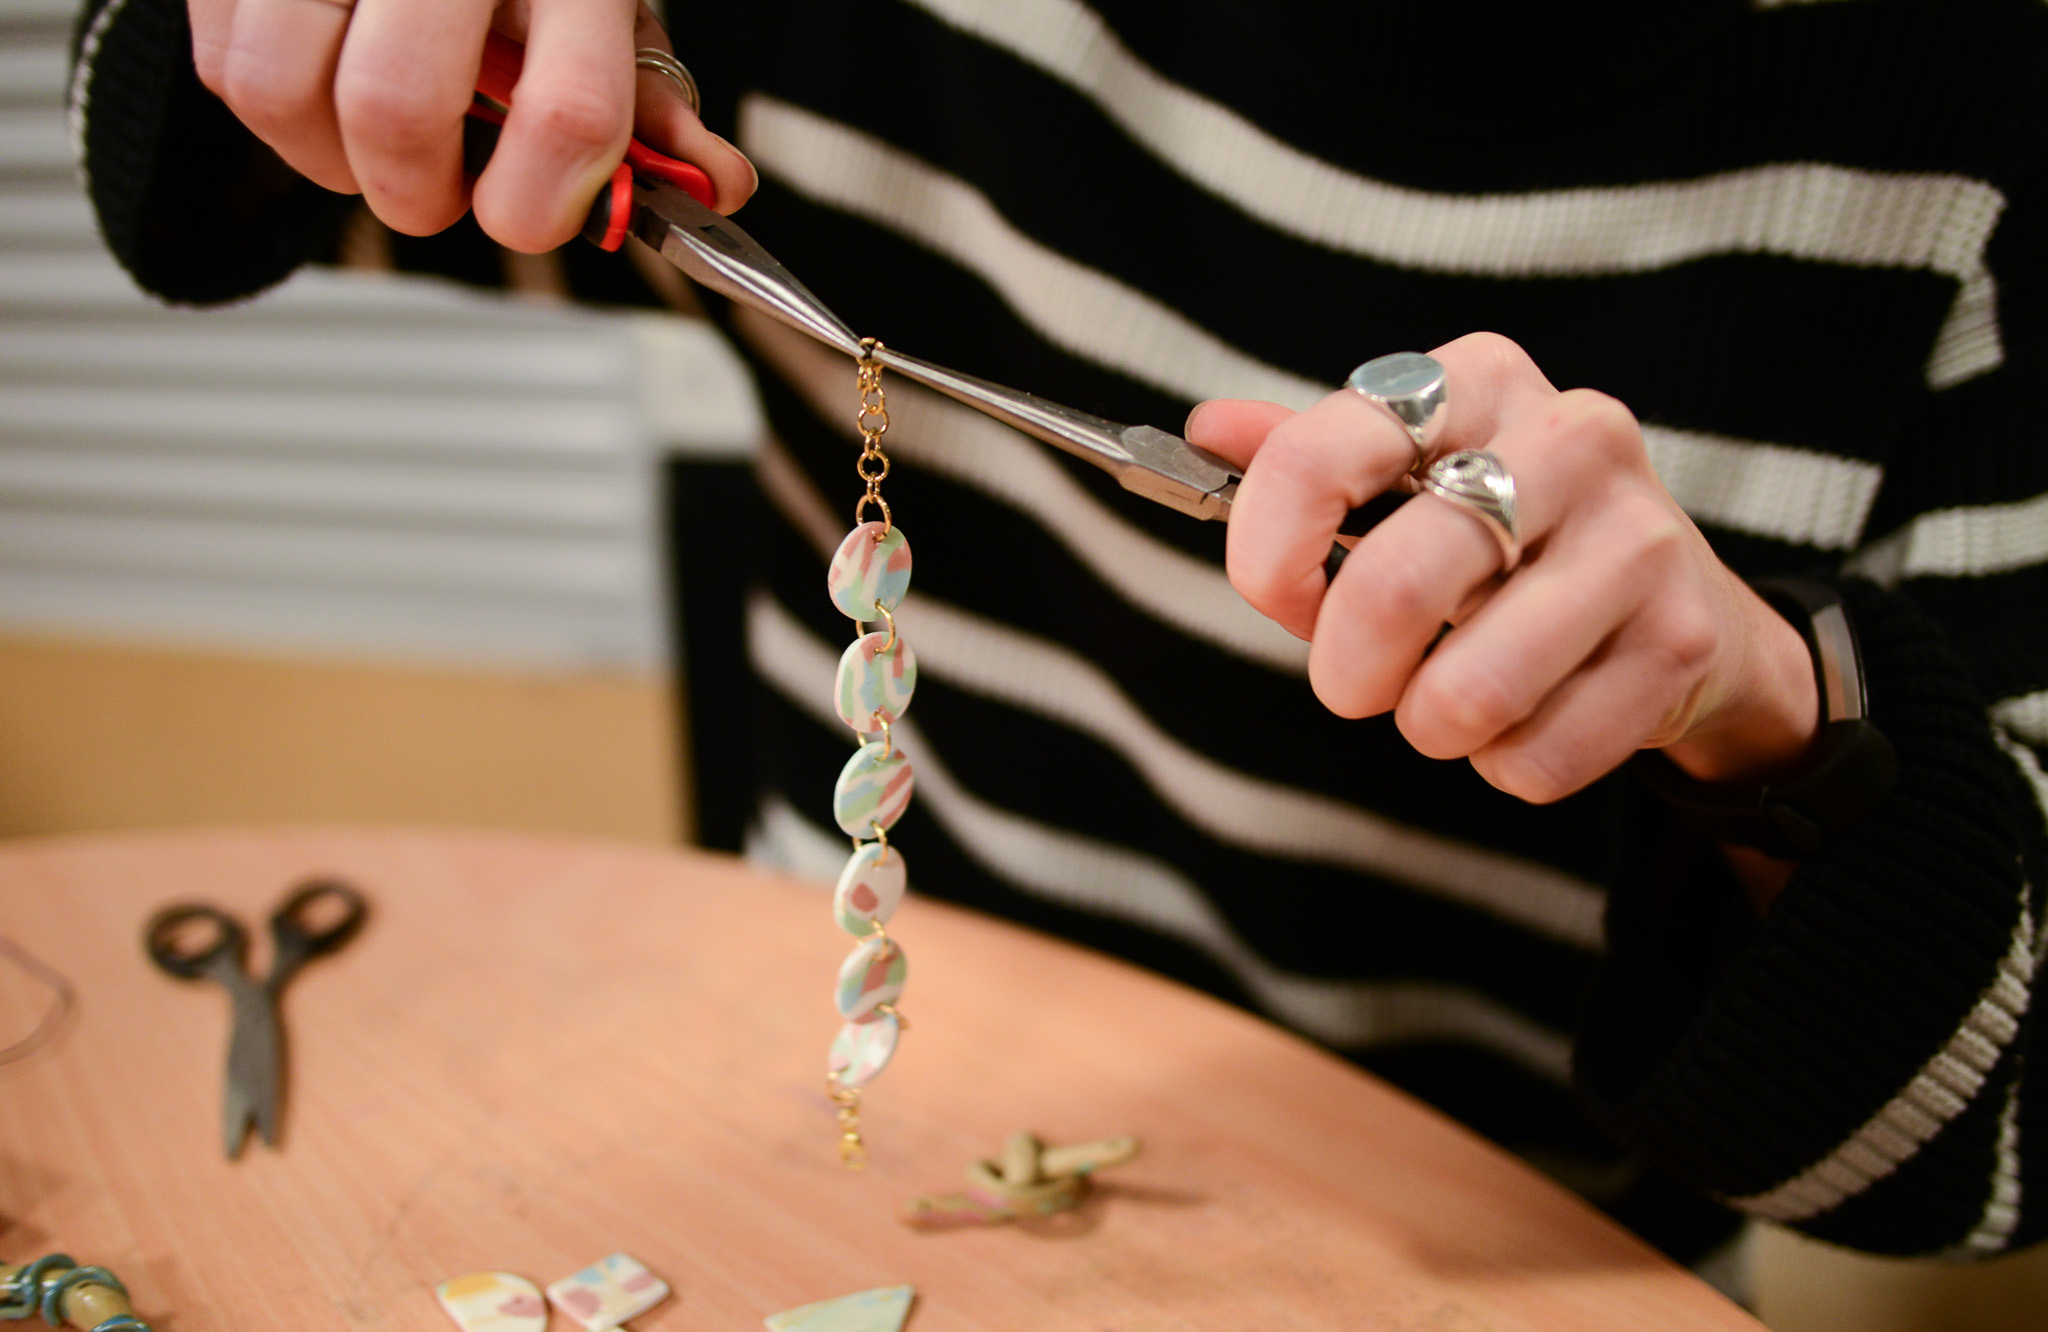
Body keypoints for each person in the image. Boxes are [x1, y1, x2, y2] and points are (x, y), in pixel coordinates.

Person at [69, 0, 2048, 1265]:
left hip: (1450, 1271)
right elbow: (224, 171)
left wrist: (1781, 727)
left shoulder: (1969, 147)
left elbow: (1992, 1158)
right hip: (800, 1153)